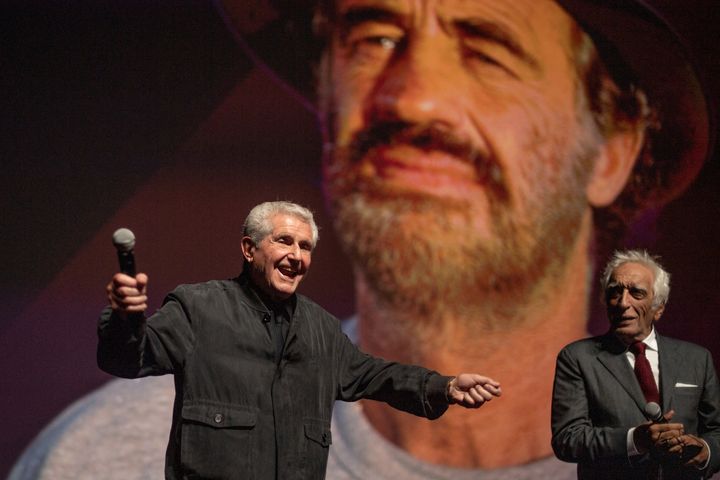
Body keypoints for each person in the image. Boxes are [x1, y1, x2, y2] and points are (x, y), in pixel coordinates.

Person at [8, 0, 715, 479]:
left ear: (614, 148)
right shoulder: (108, 458)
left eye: (487, 48)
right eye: (374, 38)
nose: (411, 97)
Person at [98, 200, 501, 479]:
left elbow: (375, 374)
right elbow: (129, 358)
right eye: (284, 241)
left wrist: (443, 385)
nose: (297, 255)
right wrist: (124, 317)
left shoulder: (321, 328)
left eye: (306, 246)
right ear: (249, 249)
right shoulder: (198, 307)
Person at [551, 249, 720, 479]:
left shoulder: (697, 359)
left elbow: (716, 431)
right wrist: (634, 439)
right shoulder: (578, 357)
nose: (623, 302)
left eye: (636, 293)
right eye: (615, 292)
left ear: (658, 308)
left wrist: (706, 451)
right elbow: (567, 439)